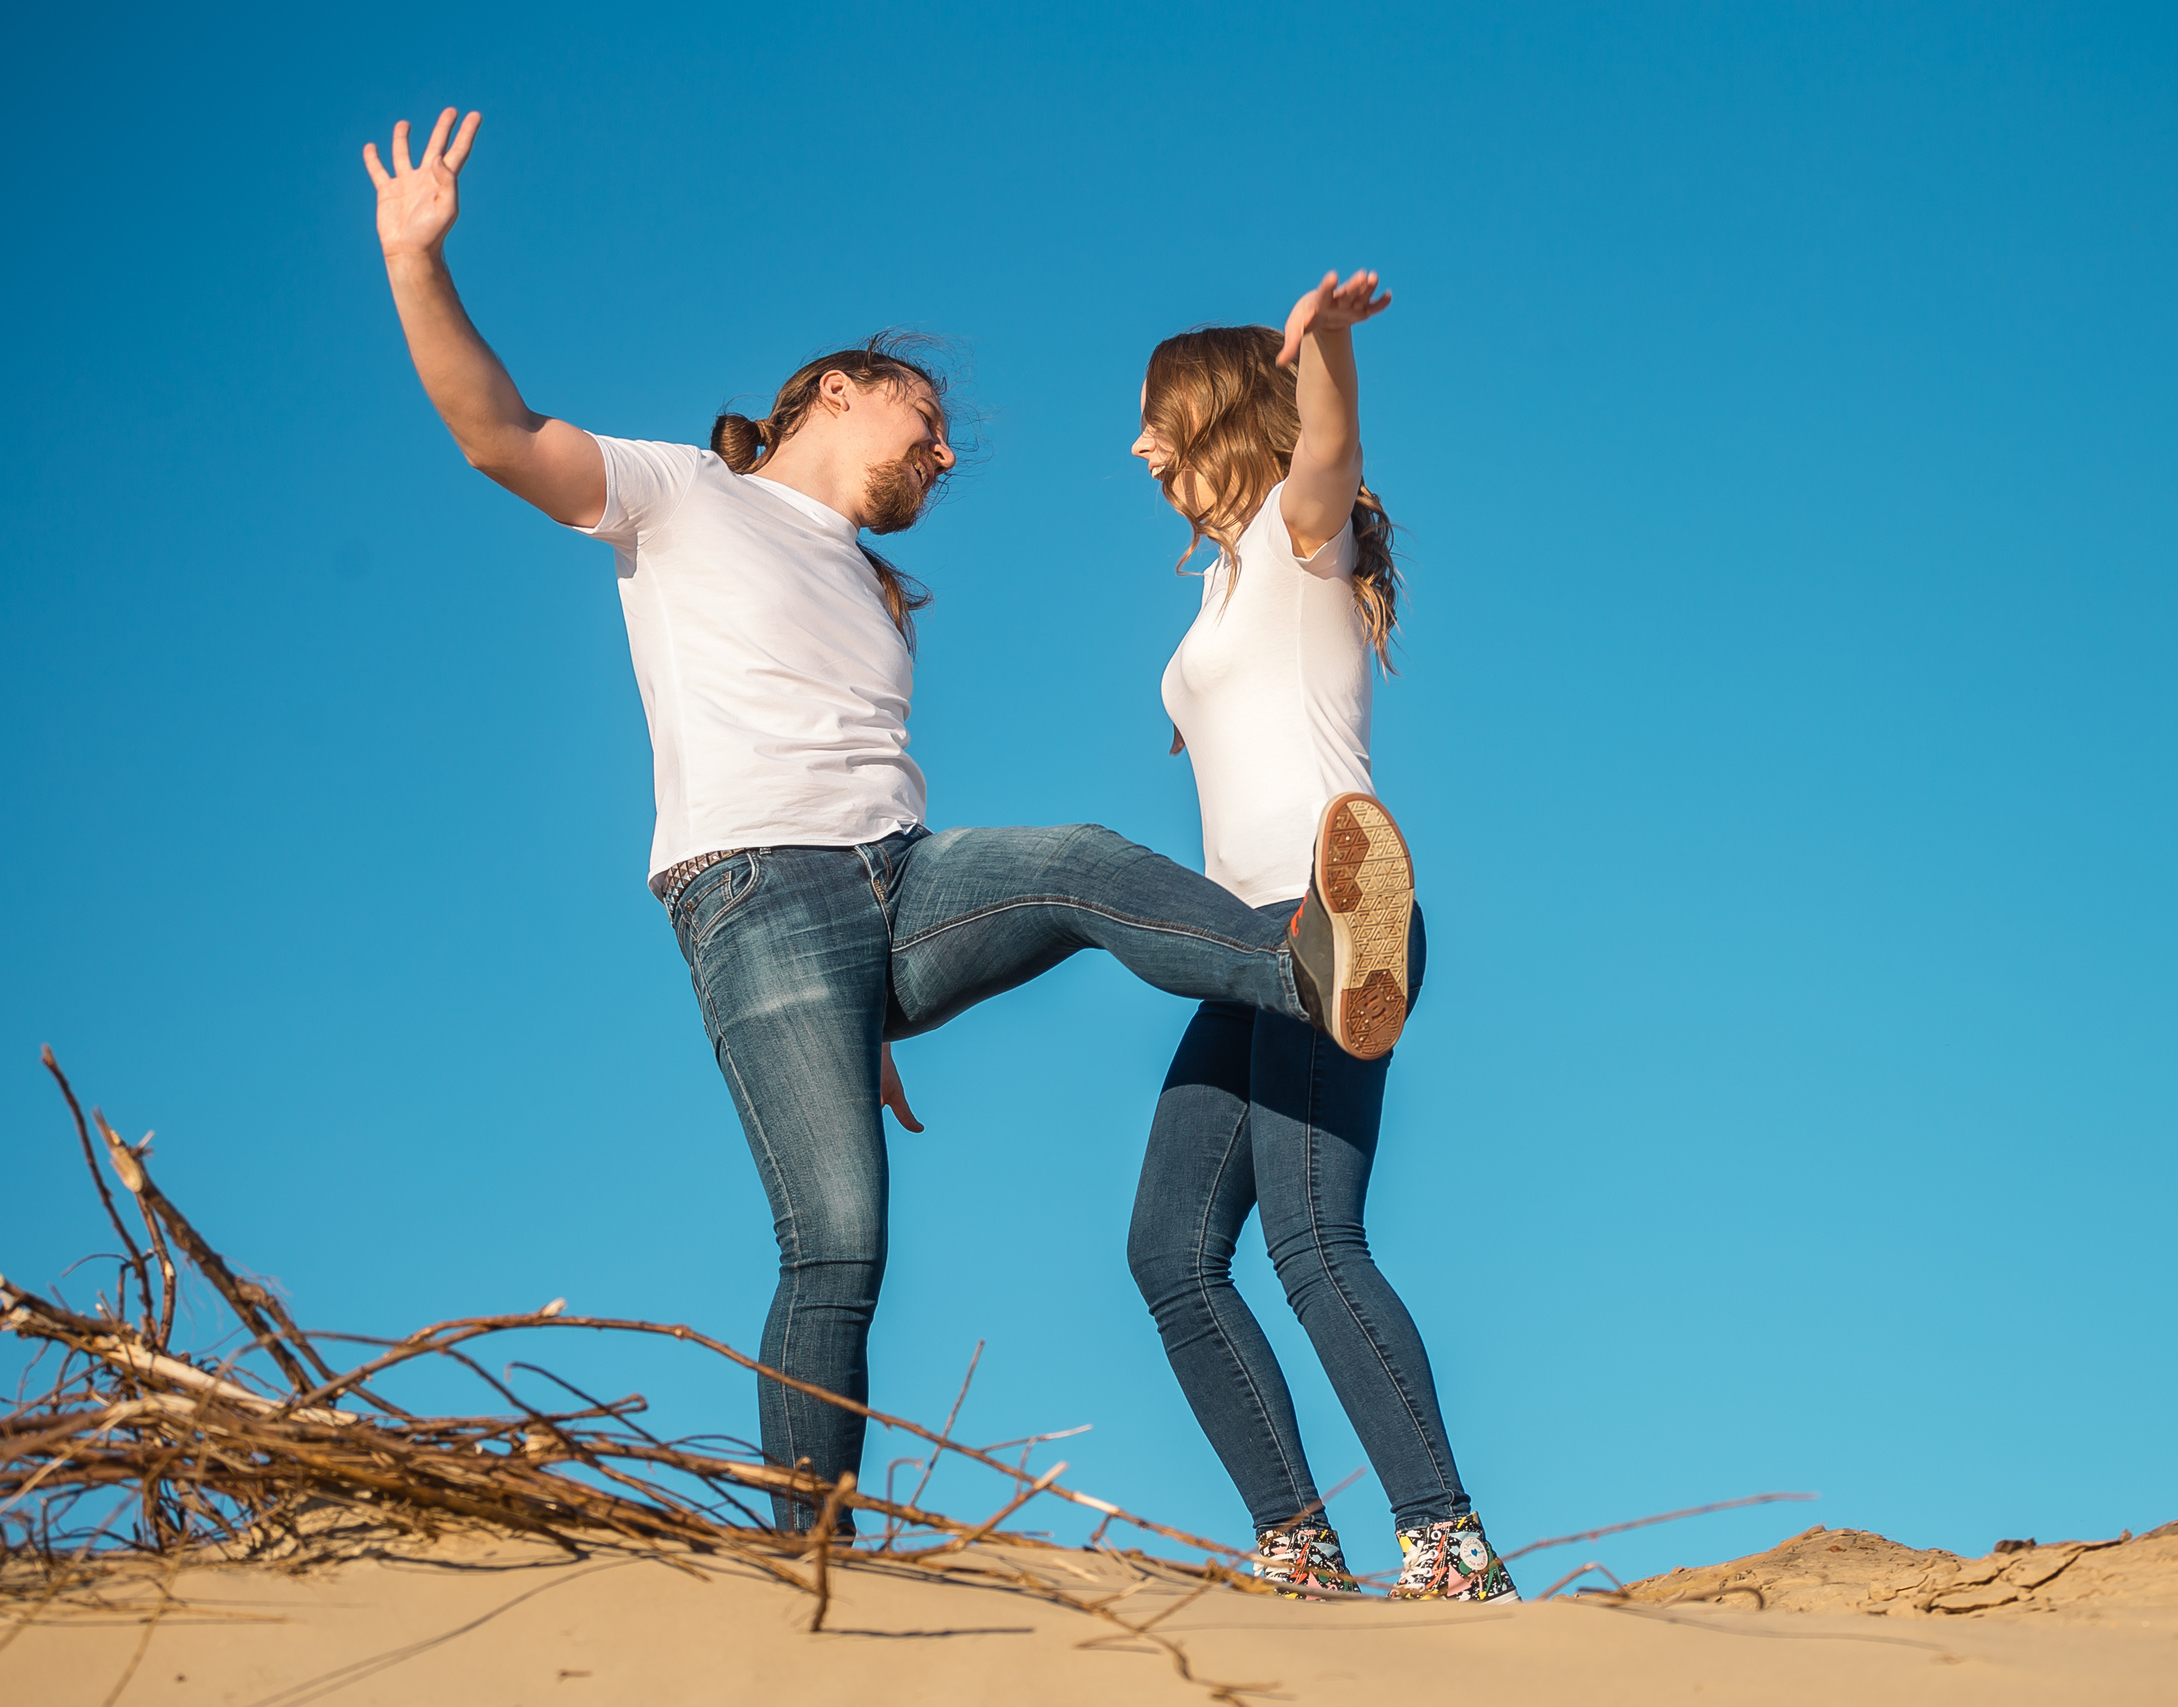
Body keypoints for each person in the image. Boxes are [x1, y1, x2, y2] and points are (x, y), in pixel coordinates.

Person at [362, 110, 1419, 1529]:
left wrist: (882, 986)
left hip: (906, 885)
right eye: (929, 426)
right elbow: (493, 432)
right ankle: (818, 1562)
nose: (944, 457)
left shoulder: (876, 593)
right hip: (757, 903)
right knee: (837, 1247)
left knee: (1081, 864)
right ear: (841, 392)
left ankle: (1308, 956)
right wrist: (416, 261)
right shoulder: (680, 494)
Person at [1122, 276, 1518, 1603]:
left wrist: (1329, 350)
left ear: (1213, 412)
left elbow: (1333, 456)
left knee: (1312, 1239)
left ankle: (1449, 1544)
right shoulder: (1233, 579)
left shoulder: (1303, 538)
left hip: (1334, 913)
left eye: (1151, 419)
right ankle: (1297, 1542)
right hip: (1235, 944)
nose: (1138, 447)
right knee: (1168, 1254)